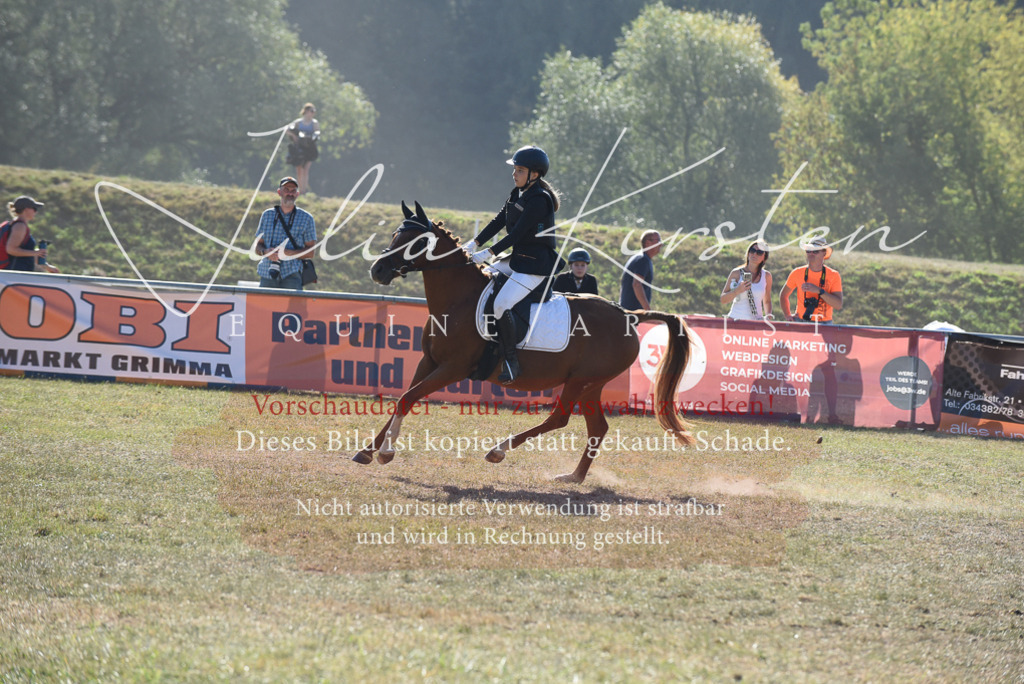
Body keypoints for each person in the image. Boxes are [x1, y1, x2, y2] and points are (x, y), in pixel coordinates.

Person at [464, 145, 562, 384]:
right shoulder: (518, 193)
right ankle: (488, 345)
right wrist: (473, 243)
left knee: (500, 304)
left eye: (519, 170)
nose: (514, 174)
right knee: (483, 278)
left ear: (534, 174)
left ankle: (511, 360)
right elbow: (499, 221)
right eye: (515, 169)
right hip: (519, 259)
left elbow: (517, 233)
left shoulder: (540, 199)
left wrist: (488, 251)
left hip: (536, 265)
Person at [254, 177, 317, 291]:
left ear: (297, 194)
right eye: (286, 189)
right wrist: (266, 252)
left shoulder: (307, 218)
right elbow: (258, 246)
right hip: (267, 273)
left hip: (292, 274)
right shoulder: (267, 215)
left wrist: (288, 253)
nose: (290, 193)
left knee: (292, 309)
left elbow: (311, 252)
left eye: (293, 190)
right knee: (264, 308)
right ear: (279, 192)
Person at [779, 237, 843, 323]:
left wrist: (819, 291)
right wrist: (787, 315)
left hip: (824, 324)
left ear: (824, 253)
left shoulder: (834, 275)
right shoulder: (797, 272)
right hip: (801, 321)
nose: (811, 253)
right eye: (808, 250)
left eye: (815, 251)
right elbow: (783, 295)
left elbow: (838, 305)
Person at [2, 196, 60, 273]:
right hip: (14, 274)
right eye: (34, 209)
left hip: (11, 274)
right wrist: (36, 253)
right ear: (26, 210)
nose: (35, 212)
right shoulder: (20, 226)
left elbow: (26, 253)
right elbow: (11, 250)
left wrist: (47, 267)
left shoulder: (11, 224)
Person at [720, 240, 772, 320]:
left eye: (759, 252)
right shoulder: (736, 273)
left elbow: (767, 300)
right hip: (735, 320)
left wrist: (768, 317)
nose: (754, 254)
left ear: (764, 258)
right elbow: (723, 300)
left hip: (756, 323)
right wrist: (737, 291)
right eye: (752, 250)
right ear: (748, 253)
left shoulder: (767, 276)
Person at [618, 230, 661, 311]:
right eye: (658, 240)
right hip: (633, 313)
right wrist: (648, 311)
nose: (661, 244)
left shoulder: (642, 258)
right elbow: (637, 284)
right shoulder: (643, 260)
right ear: (648, 243)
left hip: (627, 312)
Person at [286, 103, 320, 194]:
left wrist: (313, 136)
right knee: (299, 169)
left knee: (306, 169)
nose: (313, 113)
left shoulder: (314, 123)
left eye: (314, 111)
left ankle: (303, 190)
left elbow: (317, 132)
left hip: (309, 148)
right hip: (299, 148)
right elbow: (287, 130)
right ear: (306, 111)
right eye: (311, 111)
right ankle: (300, 189)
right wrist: (294, 136)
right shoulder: (298, 122)